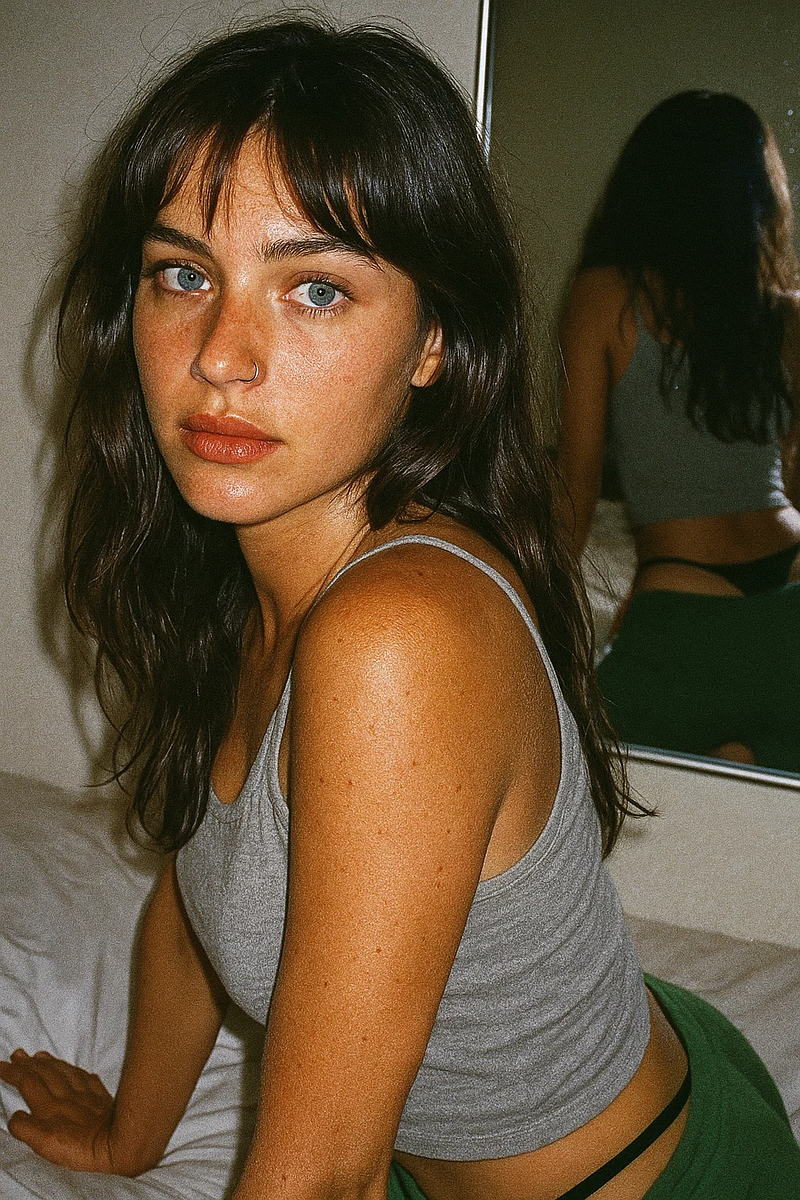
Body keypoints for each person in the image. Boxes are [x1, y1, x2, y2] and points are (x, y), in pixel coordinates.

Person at [0, 27, 798, 1200]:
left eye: (315, 288)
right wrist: (130, 1137)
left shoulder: (397, 632)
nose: (220, 356)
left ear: (433, 341)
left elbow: (320, 1173)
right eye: (182, 273)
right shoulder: (250, 565)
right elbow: (199, 887)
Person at [557, 90, 800, 771]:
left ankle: (734, 740)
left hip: (685, 599)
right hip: (790, 598)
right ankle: (743, 745)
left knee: (580, 774)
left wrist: (534, 613)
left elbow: (575, 493)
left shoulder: (604, 296)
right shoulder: (787, 316)